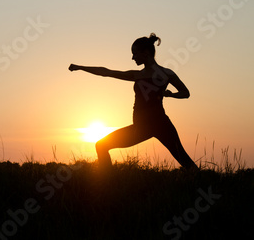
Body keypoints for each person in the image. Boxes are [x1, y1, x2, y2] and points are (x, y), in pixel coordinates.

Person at [69, 33, 198, 170]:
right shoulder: (164, 73)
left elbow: (185, 93)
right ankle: (107, 182)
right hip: (150, 126)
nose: (132, 57)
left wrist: (171, 95)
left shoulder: (145, 75)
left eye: (135, 53)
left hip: (150, 126)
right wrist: (81, 67)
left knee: (101, 145)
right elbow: (106, 72)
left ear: (146, 53)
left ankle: (106, 183)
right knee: (101, 145)